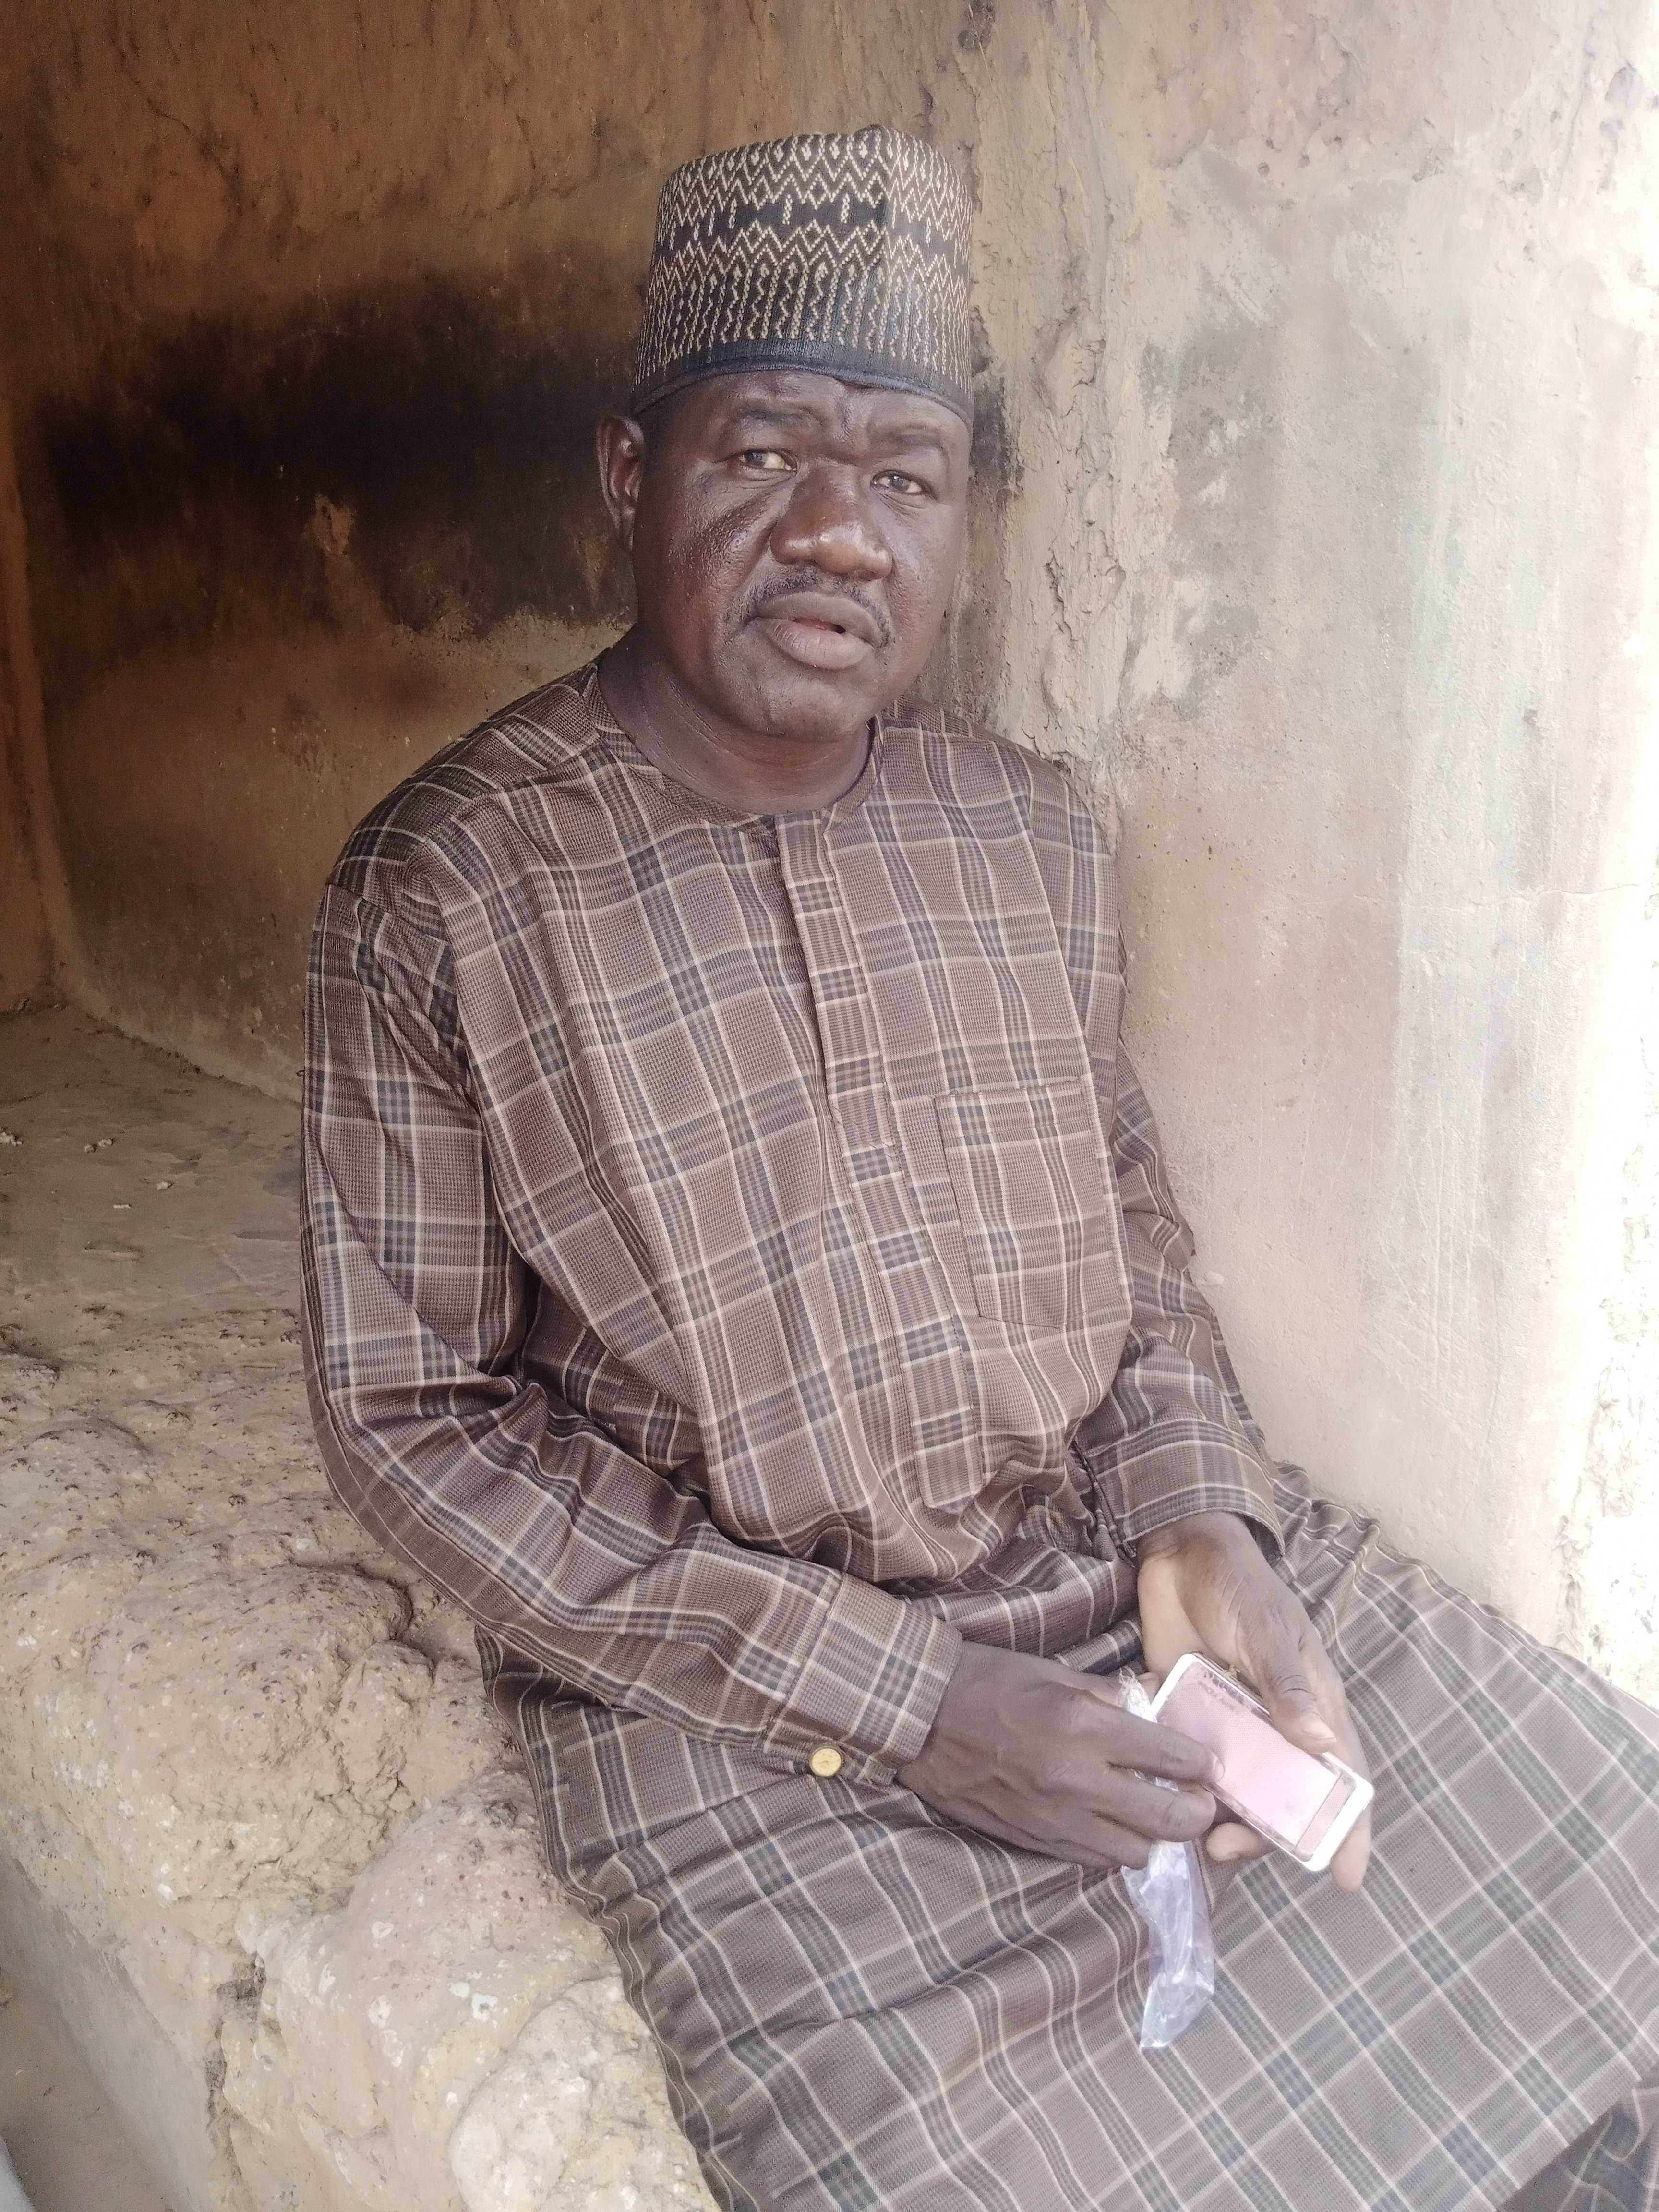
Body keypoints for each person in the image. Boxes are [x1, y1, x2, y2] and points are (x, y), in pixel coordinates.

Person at [301, 126, 1659, 2211]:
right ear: (629, 475)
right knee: (963, 2170)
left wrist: (1205, 1519)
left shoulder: (1029, 832)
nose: (838, 536)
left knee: (1603, 1838)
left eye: (909, 478)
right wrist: (916, 1705)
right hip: (747, 1701)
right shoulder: (449, 888)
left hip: (1106, 1572)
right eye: (763, 454)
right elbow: (413, 1420)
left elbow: (1129, 1222)